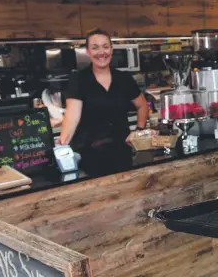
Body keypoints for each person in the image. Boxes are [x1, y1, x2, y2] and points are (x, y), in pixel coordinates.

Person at [59, 29, 150, 172]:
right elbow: (72, 115)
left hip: (122, 152)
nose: (101, 52)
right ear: (88, 51)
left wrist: (139, 131)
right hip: (90, 154)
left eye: (106, 47)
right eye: (95, 48)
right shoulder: (79, 80)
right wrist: (62, 146)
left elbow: (142, 106)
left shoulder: (124, 79)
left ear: (112, 50)